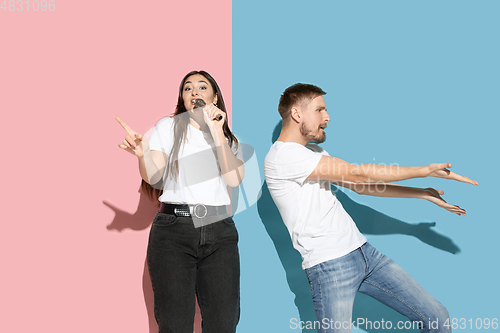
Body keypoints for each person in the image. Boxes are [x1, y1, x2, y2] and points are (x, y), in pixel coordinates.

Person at [264, 83, 478, 333]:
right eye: (320, 109)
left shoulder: (312, 153)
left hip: (364, 254)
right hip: (329, 266)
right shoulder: (283, 157)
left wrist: (422, 194)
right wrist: (423, 171)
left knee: (437, 317)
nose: (327, 117)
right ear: (297, 113)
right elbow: (357, 174)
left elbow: (361, 187)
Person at [116, 70, 244, 333]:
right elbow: (154, 175)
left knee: (224, 323)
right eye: (187, 88)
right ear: (183, 99)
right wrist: (142, 155)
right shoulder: (169, 127)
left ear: (215, 97)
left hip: (219, 230)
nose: (194, 92)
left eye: (202, 87)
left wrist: (217, 131)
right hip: (174, 231)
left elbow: (234, 179)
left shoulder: (229, 139)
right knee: (174, 324)